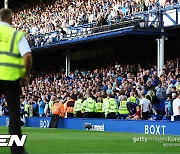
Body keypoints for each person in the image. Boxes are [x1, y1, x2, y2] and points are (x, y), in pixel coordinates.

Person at [0, 8, 32, 154]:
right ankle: (17, 149)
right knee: (13, 112)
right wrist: (25, 75)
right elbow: (27, 56)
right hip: (11, 78)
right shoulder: (16, 34)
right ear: (11, 18)